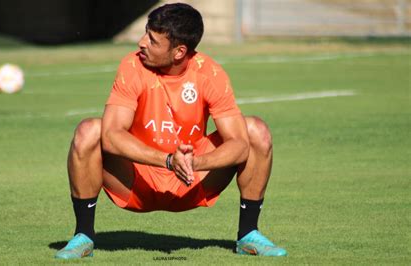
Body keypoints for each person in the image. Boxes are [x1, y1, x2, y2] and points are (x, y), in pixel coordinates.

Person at [55, 3, 287, 259]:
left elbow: (240, 144)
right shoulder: (132, 66)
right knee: (89, 130)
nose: (142, 43)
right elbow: (111, 136)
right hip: (135, 182)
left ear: (179, 52)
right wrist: (167, 161)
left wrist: (195, 162)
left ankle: (248, 235)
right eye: (145, 33)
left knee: (255, 131)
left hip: (191, 180)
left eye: (153, 40)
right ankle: (83, 235)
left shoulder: (209, 72)